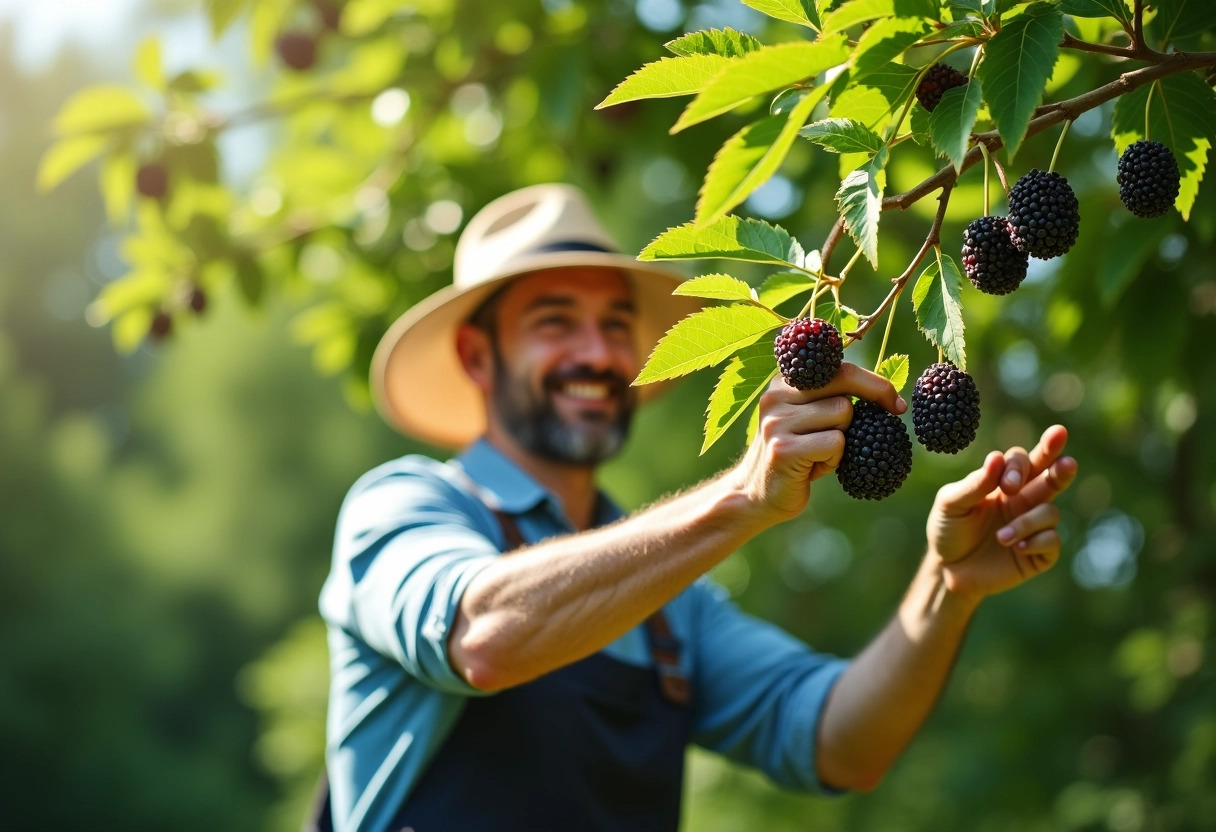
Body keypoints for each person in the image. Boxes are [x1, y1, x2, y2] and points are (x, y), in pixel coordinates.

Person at [319, 184, 1078, 832]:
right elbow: (482, 636)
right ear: (477, 359)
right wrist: (744, 495)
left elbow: (840, 741)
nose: (596, 352)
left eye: (616, 325)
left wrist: (950, 587)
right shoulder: (403, 506)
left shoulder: (672, 609)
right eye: (554, 322)